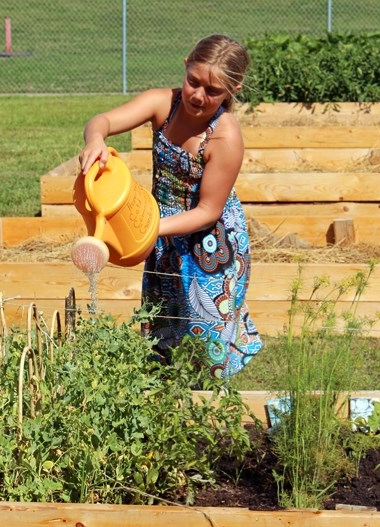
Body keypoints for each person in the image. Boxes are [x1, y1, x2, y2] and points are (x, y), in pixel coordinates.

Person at [79, 34, 263, 379]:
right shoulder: (163, 103)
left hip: (210, 244)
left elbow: (208, 210)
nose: (198, 95)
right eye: (194, 81)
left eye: (213, 91)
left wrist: (148, 229)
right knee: (164, 324)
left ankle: (209, 405)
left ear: (233, 89)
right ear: (185, 65)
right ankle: (169, 401)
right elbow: (100, 121)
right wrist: (96, 141)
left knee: (206, 329)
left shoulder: (225, 136)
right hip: (160, 230)